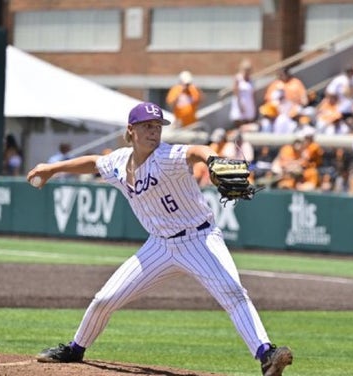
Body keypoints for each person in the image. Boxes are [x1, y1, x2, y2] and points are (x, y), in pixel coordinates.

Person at [27, 102, 293, 375]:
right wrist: (52, 168)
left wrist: (212, 159)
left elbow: (194, 152)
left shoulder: (165, 156)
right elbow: (94, 162)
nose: (154, 132)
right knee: (104, 299)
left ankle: (266, 354)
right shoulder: (119, 161)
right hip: (159, 245)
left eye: (157, 127)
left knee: (233, 293)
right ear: (131, 130)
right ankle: (75, 349)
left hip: (199, 239)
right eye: (147, 126)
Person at [229, 59, 257, 128]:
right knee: (239, 122)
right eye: (246, 69)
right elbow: (236, 92)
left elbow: (253, 93)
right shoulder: (238, 78)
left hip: (249, 102)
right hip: (240, 102)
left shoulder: (251, 80)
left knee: (248, 123)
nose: (247, 72)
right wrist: (240, 105)